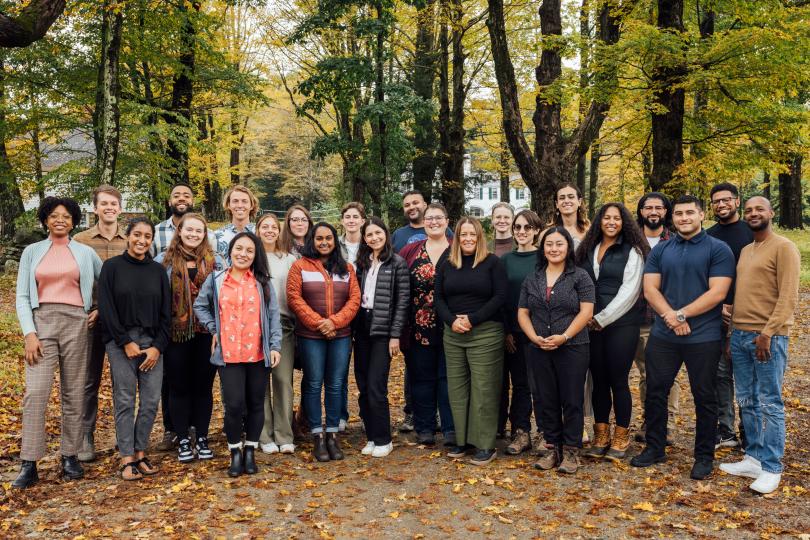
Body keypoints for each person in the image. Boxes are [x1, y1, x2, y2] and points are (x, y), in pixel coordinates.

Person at [631, 195, 734, 480]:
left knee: (705, 396)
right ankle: (655, 446)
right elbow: (650, 289)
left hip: (704, 336)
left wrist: (682, 315)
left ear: (701, 215)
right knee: (655, 391)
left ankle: (703, 456)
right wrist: (672, 318)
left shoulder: (718, 249)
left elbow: (718, 292)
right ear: (671, 218)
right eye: (678, 214)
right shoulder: (661, 250)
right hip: (665, 336)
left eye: (690, 212)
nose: (684, 218)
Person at [13, 197, 103, 488]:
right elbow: (22, 297)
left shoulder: (86, 253)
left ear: (74, 221)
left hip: (77, 322)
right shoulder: (32, 252)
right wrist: (29, 332)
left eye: (66, 216)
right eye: (54, 216)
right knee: (36, 393)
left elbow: (108, 283)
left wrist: (98, 308)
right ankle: (30, 462)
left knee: (74, 392)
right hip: (42, 324)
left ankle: (70, 455)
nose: (60, 220)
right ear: (45, 220)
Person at [719, 196, 800, 494]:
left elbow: (788, 296)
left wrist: (768, 333)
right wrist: (731, 335)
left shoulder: (784, 247)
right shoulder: (745, 250)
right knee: (746, 399)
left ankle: (771, 467)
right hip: (740, 335)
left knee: (769, 401)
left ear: (771, 213)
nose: (754, 214)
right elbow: (742, 295)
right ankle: (753, 456)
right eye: (750, 210)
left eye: (759, 209)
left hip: (767, 337)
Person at [193, 232, 282, 477]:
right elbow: (200, 305)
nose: (243, 254)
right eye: (239, 249)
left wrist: (274, 346)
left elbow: (273, 316)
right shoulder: (217, 279)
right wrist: (214, 329)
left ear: (256, 255)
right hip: (229, 354)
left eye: (249, 251)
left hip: (257, 352)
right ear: (230, 250)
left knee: (255, 404)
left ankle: (250, 450)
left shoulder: (262, 282)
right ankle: (235, 452)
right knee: (233, 405)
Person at [98, 217, 170, 481]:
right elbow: (106, 308)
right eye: (137, 234)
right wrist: (124, 342)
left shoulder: (158, 271)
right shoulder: (112, 267)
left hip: (152, 343)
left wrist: (157, 348)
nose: (142, 240)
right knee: (125, 400)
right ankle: (127, 457)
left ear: (152, 239)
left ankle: (141, 451)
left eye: (147, 236)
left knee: (151, 401)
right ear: (128, 236)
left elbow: (166, 314)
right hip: (121, 342)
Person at [518, 227, 594, 474]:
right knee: (545, 398)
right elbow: (523, 312)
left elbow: (586, 312)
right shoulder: (533, 278)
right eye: (549, 244)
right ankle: (552, 448)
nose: (553, 249)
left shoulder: (580, 276)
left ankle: (571, 451)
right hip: (539, 347)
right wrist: (534, 338)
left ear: (568, 247)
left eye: (559, 244)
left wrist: (564, 336)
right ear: (543, 248)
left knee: (571, 399)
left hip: (572, 346)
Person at [577, 203, 648, 461]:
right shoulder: (587, 249)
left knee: (618, 379)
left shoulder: (633, 251)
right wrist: (586, 317)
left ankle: (621, 435)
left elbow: (630, 292)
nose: (611, 222)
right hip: (590, 324)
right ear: (599, 221)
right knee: (599, 380)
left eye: (616, 218)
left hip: (621, 324)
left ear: (624, 222)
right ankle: (601, 433)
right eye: (606, 217)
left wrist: (602, 318)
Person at [435, 217, 507, 466]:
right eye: (463, 234)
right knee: (457, 388)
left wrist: (473, 319)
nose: (467, 239)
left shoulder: (492, 263)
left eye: (472, 235)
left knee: (483, 389)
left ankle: (485, 444)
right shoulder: (446, 264)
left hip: (485, 333)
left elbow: (500, 297)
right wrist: (452, 321)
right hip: (453, 334)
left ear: (479, 237)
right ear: (456, 238)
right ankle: (462, 440)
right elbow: (439, 299)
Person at [287, 222, 360, 462]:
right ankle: (317, 436)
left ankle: (332, 434)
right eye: (319, 238)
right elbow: (294, 297)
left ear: (335, 241)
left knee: (336, 384)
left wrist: (335, 323)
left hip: (340, 336)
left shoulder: (346, 268)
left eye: (328, 238)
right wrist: (319, 323)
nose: (324, 242)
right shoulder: (300, 267)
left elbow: (354, 299)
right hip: (310, 337)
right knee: (313, 383)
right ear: (312, 241)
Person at [154, 214, 225, 463]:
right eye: (189, 230)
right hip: (176, 334)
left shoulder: (216, 263)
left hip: (208, 333)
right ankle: (183, 437)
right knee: (178, 387)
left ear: (205, 234)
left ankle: (202, 436)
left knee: (203, 387)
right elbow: (157, 299)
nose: (194, 234)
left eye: (199, 231)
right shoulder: (163, 261)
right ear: (180, 231)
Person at [73, 185, 128, 463]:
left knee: (123, 382)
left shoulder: (130, 240)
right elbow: (74, 279)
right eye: (104, 204)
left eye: (113, 204)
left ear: (120, 207)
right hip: (91, 320)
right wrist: (93, 308)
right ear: (95, 208)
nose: (109, 208)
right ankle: (85, 435)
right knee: (88, 380)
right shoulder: (80, 241)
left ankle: (124, 437)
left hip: (122, 323)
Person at [353, 217, 410, 458]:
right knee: (363, 386)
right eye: (369, 235)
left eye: (378, 233)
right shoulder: (363, 263)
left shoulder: (397, 263)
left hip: (383, 330)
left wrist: (395, 335)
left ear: (385, 234)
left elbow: (403, 302)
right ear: (364, 238)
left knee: (377, 386)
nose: (374, 238)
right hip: (361, 327)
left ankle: (384, 438)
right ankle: (371, 436)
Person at [399, 203, 455, 446]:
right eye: (429, 218)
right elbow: (399, 287)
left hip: (452, 325)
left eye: (438, 218)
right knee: (421, 379)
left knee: (448, 378)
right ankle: (425, 427)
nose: (433, 222)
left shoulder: (458, 249)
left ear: (447, 221)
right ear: (423, 222)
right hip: (417, 326)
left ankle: (451, 427)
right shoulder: (410, 251)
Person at [707, 182, 754, 450]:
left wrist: (737, 305)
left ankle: (749, 430)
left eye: (726, 200)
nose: (721, 205)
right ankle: (725, 430)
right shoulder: (709, 235)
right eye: (716, 201)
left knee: (747, 376)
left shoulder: (751, 232)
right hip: (718, 315)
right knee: (720, 375)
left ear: (737, 201)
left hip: (748, 314)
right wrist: (720, 306)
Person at [633, 192, 678, 444]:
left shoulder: (674, 241)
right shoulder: (629, 240)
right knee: (643, 374)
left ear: (665, 212)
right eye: (648, 207)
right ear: (640, 212)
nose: (653, 211)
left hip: (663, 317)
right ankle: (649, 419)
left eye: (658, 208)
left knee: (663, 373)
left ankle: (668, 423)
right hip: (633, 317)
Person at [549, 183, 591, 444]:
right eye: (561, 197)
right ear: (556, 203)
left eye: (570, 197)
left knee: (583, 374)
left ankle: (580, 425)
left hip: (585, 304)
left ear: (579, 201)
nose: (566, 201)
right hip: (558, 308)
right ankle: (554, 428)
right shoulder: (550, 232)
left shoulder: (589, 231)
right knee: (555, 375)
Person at [499, 210, 543, 456]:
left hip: (542, 331)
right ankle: (521, 431)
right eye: (518, 227)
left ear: (536, 230)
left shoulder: (544, 258)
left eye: (527, 227)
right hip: (515, 333)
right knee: (521, 384)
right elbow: (502, 298)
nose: (522, 232)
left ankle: (545, 432)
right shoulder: (505, 260)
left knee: (544, 384)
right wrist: (506, 331)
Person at [255, 213, 298, 455]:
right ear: (258, 229)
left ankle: (284, 434)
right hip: (255, 325)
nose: (270, 230)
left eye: (274, 227)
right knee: (260, 382)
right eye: (265, 226)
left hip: (283, 324)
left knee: (283, 380)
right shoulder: (251, 256)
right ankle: (265, 435)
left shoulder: (289, 259)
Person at [215, 185, 259, 257]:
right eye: (235, 201)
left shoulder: (260, 234)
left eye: (244, 201)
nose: (240, 205)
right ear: (228, 205)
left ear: (251, 205)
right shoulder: (216, 236)